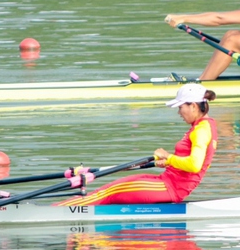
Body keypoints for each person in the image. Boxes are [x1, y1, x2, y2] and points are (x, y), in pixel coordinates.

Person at [57, 84, 217, 205]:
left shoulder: (202, 130)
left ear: (194, 106)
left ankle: (56, 210)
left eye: (180, 107)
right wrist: (168, 162)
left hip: (172, 187)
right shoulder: (203, 126)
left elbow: (195, 165)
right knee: (110, 188)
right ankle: (61, 208)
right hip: (167, 181)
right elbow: (190, 161)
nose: (178, 112)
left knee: (109, 192)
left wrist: (169, 156)